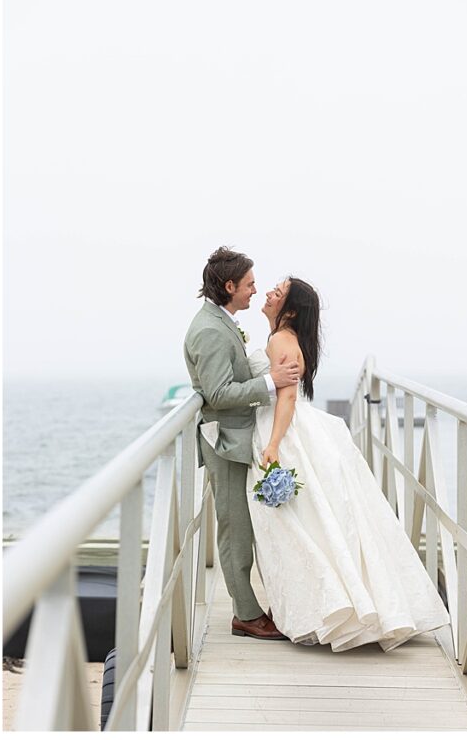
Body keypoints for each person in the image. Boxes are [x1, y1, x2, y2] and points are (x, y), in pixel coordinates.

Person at [244, 276, 450, 651]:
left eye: (279, 290)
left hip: (285, 434)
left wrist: (273, 444)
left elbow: (286, 398)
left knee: (294, 525)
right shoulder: (286, 338)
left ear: (289, 309)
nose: (270, 291)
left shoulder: (279, 339)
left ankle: (323, 606)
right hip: (295, 429)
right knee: (313, 522)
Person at [183, 247, 300, 640]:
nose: (255, 290)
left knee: (243, 526)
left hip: (237, 437)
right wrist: (272, 382)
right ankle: (246, 615)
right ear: (229, 285)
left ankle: (250, 608)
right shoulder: (210, 330)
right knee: (235, 530)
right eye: (249, 284)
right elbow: (217, 393)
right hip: (225, 442)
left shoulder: (222, 321)